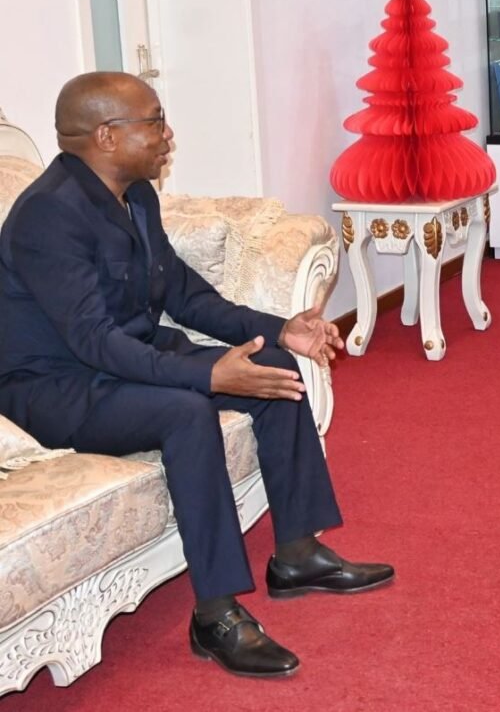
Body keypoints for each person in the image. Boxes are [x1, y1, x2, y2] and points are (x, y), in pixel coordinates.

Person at [0, 72, 393, 678]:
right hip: (55, 388)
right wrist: (207, 375)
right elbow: (93, 341)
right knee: (184, 411)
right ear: (105, 135)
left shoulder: (135, 195)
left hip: (123, 359)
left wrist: (282, 327)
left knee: (273, 364)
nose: (167, 135)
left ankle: (295, 552)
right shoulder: (48, 216)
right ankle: (215, 614)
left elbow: (184, 295)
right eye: (154, 121)